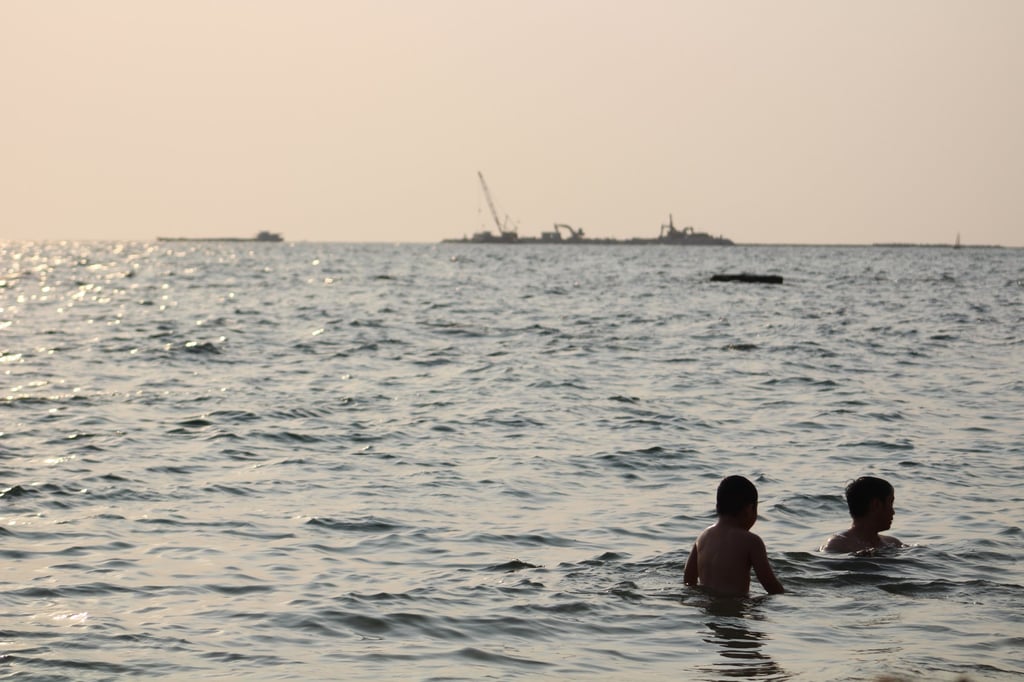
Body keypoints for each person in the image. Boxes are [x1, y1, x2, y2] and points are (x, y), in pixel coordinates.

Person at [683, 475, 785, 596]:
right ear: (750, 509)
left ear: (717, 507)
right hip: (735, 607)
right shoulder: (752, 541)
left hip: (707, 608)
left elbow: (688, 580)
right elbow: (771, 586)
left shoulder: (703, 537)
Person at [821, 476, 904, 554]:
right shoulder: (839, 545)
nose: (893, 512)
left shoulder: (894, 543)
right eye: (890, 503)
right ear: (876, 505)